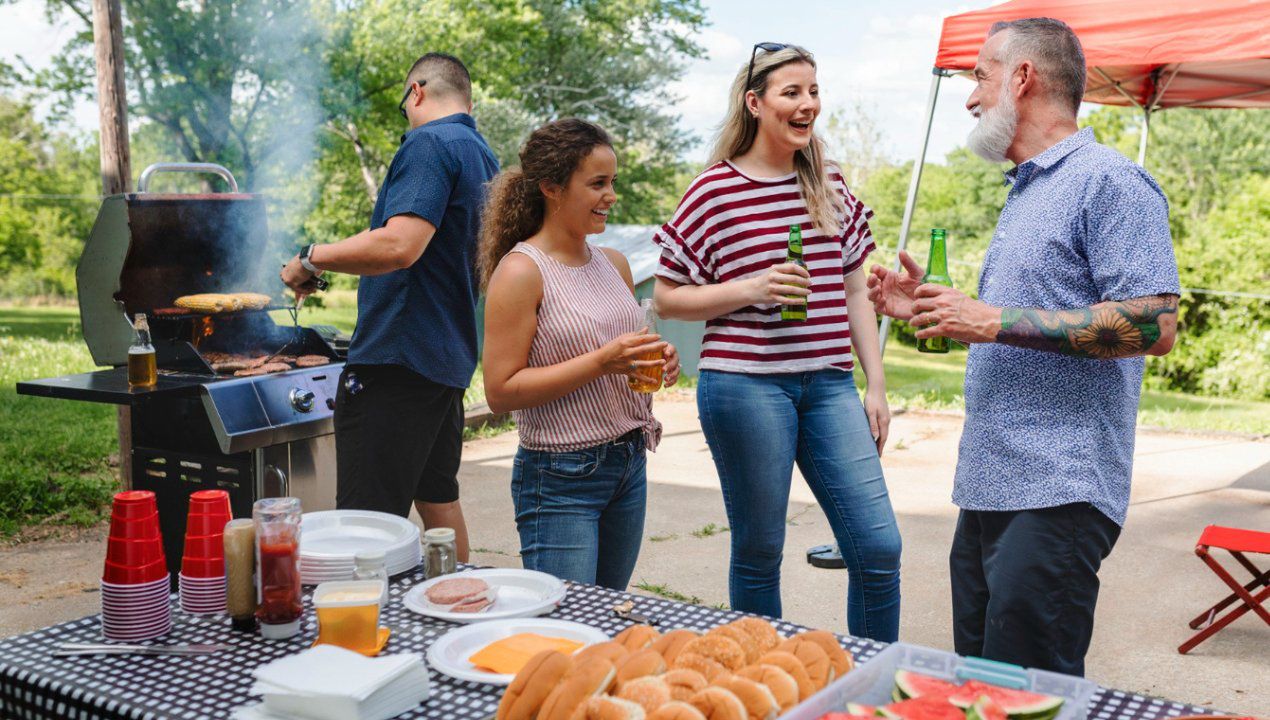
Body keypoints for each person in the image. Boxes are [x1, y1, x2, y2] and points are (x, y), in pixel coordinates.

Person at [868, 18, 1179, 676]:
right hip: (988, 487)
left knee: (1028, 697)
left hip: (1057, 493)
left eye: (980, 76)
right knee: (981, 689)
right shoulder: (1027, 190)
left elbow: (1155, 325)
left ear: (1023, 78)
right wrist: (932, 308)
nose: (972, 97)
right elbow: (1007, 325)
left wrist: (994, 320)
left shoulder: (1110, 182)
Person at [652, 44, 901, 641]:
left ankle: (868, 683)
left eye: (813, 91)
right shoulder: (714, 190)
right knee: (761, 548)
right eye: (792, 92)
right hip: (744, 387)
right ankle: (761, 681)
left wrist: (876, 383)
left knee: (877, 545)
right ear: (755, 103)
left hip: (829, 385)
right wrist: (751, 287)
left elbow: (855, 288)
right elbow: (667, 298)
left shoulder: (829, 180)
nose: (807, 104)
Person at [281, 52, 499, 562]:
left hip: (396, 362)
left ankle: (359, 639)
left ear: (417, 92)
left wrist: (312, 258)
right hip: (443, 361)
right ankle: (460, 609)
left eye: (404, 105)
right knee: (439, 501)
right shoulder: (481, 156)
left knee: (365, 523)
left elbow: (399, 246)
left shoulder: (429, 144)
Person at [479, 118, 680, 590]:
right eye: (597, 184)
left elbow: (627, 348)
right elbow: (499, 392)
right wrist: (601, 362)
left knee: (605, 615)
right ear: (551, 187)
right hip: (560, 477)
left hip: (628, 462)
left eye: (612, 182)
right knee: (565, 628)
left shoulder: (615, 264)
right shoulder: (521, 272)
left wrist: (662, 356)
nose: (611, 195)